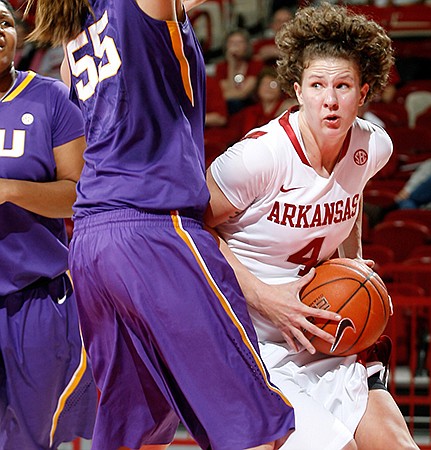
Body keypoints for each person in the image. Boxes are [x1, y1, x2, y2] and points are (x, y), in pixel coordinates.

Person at [25, 1, 297, 449]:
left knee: (136, 431)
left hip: (92, 240)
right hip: (153, 226)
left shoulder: (76, 29)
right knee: (251, 423)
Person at [204, 3, 420, 450]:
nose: (330, 98)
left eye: (343, 86)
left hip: (322, 337)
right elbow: (189, 229)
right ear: (297, 90)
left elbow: (352, 198)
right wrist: (266, 296)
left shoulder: (372, 146)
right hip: (252, 339)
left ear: (363, 92)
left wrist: (355, 265)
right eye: (318, 85)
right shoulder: (259, 158)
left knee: (397, 446)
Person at [0, 1, 97, 448]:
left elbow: (78, 196)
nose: (0, 31)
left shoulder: (49, 98)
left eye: (3, 22)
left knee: (28, 439)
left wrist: (9, 190)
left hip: (33, 300)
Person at [215, 28, 265, 115]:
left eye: (240, 42)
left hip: (251, 104)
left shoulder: (255, 64)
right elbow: (226, 93)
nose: (235, 46)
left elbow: (243, 94)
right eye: (232, 42)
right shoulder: (221, 67)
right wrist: (231, 64)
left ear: (247, 45)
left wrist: (229, 94)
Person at [238, 66, 297, 137]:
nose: (268, 88)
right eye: (264, 84)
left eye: (273, 84)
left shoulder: (289, 108)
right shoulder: (250, 112)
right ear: (258, 87)